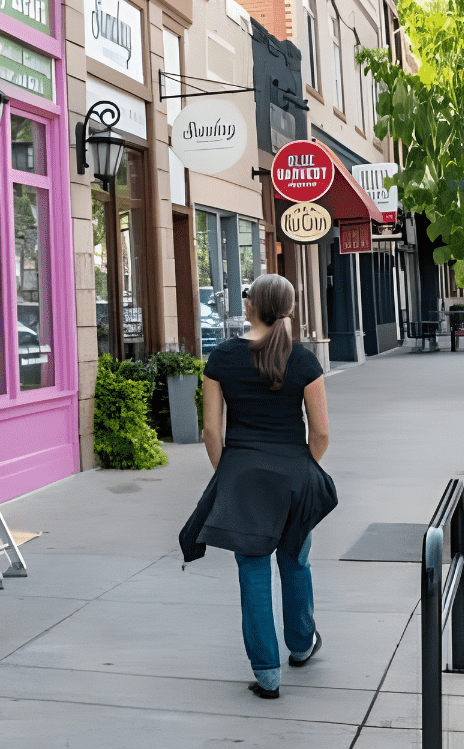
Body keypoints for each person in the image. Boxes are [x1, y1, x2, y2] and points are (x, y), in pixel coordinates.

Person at [180, 273, 336, 699]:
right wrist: (301, 470)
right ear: (286, 309)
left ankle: (267, 674)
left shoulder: (222, 359)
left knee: (251, 571)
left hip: (244, 478)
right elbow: (320, 433)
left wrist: (226, 474)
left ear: (251, 307)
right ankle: (302, 644)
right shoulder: (304, 361)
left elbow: (212, 431)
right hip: (293, 480)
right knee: (295, 560)